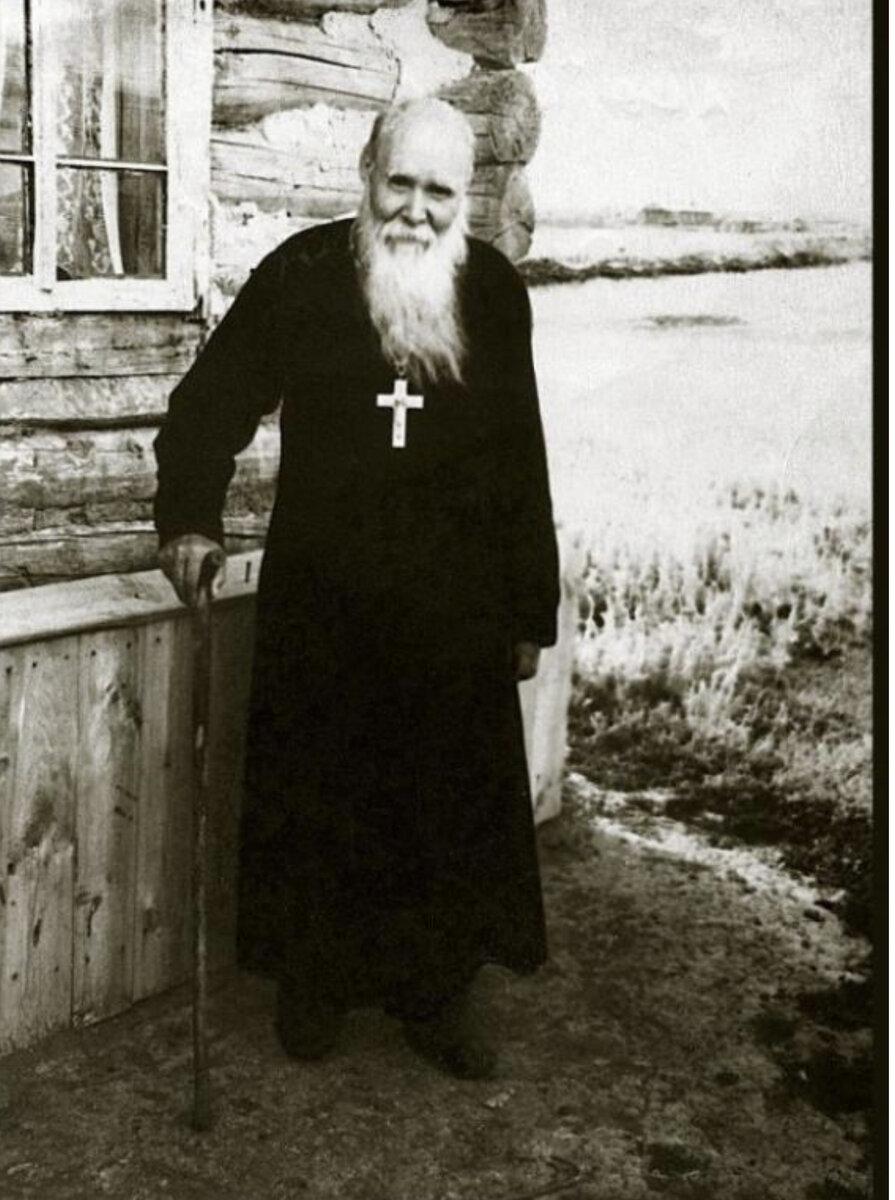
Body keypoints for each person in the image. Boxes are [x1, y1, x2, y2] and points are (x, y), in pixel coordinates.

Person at [153, 98, 560, 1080]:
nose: (416, 210)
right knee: (321, 794)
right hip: (324, 603)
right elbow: (207, 404)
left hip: (454, 613)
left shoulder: (492, 292)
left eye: (439, 192)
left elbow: (520, 455)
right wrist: (190, 517)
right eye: (400, 183)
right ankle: (315, 983)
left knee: (441, 803)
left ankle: (436, 998)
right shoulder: (301, 274)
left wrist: (527, 609)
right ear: (367, 172)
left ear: (466, 199)